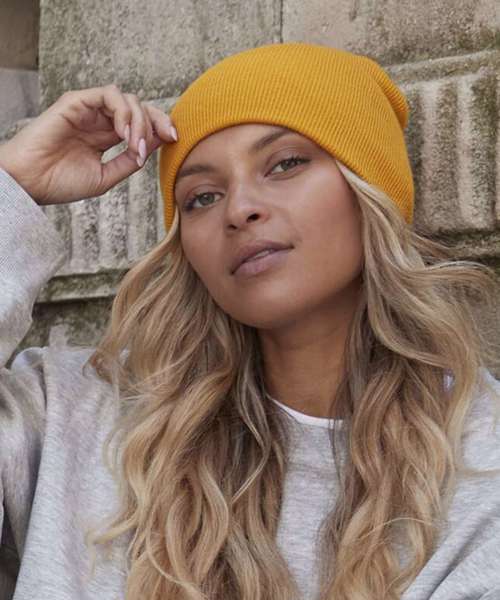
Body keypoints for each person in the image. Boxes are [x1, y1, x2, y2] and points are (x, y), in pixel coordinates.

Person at [0, 41, 499, 600]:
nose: (239, 210)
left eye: (285, 164)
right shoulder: (74, 416)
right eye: (202, 197)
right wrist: (12, 186)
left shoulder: (482, 464)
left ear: (370, 188)